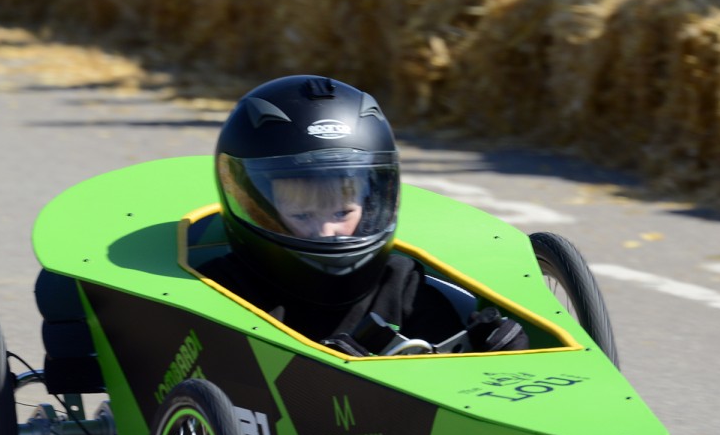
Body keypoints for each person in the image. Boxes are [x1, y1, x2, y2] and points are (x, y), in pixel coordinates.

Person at [200, 74, 528, 355]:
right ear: (255, 207)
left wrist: (492, 349)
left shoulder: (399, 282)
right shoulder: (222, 290)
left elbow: (452, 367)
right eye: (302, 215)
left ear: (374, 202)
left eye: (343, 212)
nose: (327, 230)